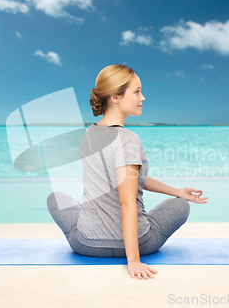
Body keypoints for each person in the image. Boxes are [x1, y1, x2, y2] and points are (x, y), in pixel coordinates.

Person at [47, 64, 208, 280]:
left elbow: (128, 180)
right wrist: (133, 260)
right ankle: (121, 239)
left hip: (87, 244)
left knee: (55, 197)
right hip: (141, 244)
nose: (143, 97)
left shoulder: (88, 134)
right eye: (137, 91)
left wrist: (176, 190)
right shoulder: (128, 140)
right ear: (115, 97)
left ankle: (86, 210)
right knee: (180, 206)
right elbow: (126, 201)